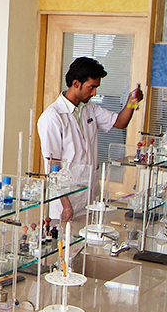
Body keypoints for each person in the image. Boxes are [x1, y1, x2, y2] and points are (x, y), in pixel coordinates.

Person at [37, 56, 143, 223]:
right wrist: (66, 205)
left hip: (89, 194)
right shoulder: (52, 117)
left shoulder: (89, 108)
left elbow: (120, 122)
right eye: (91, 87)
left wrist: (132, 103)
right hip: (66, 200)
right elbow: (53, 167)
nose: (94, 93)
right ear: (76, 83)